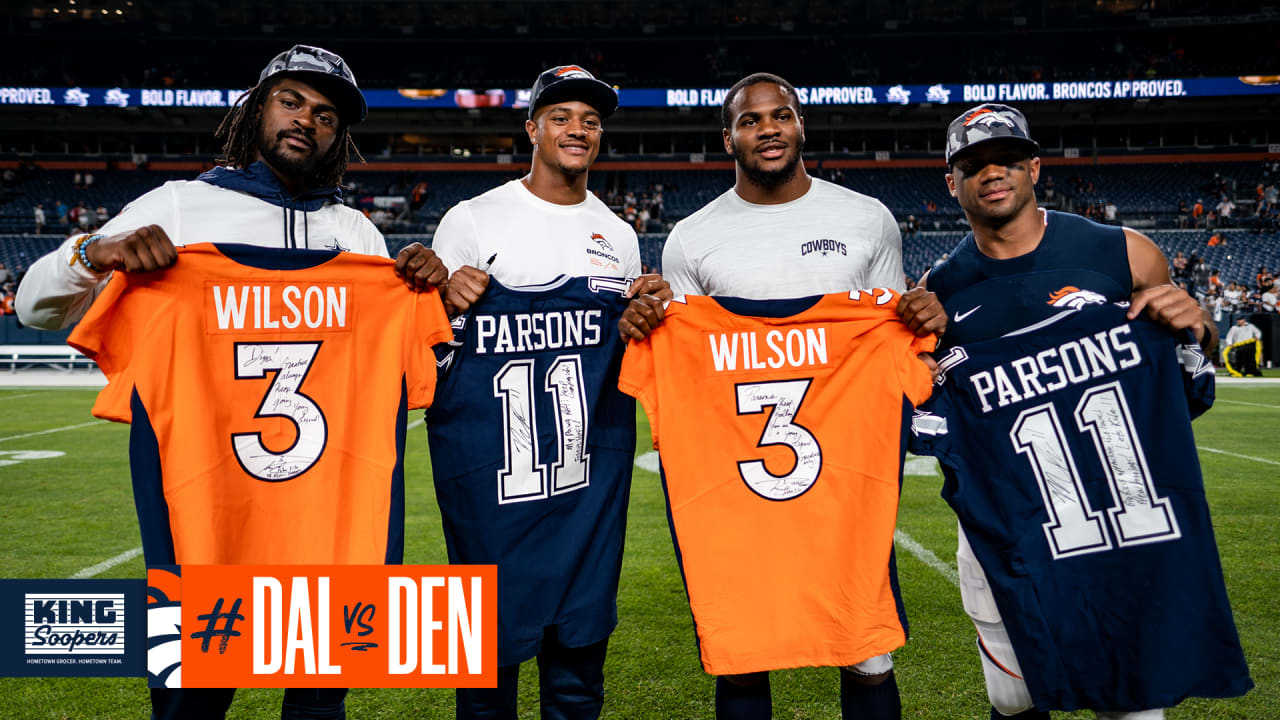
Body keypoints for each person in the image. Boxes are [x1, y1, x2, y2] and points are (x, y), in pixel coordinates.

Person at [16, 44, 448, 720]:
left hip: (330, 535)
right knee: (187, 707)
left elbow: (420, 373)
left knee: (317, 710)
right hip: (200, 534)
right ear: (255, 108)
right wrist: (91, 252)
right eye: (292, 101)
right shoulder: (179, 208)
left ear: (340, 136)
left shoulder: (359, 237)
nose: (308, 120)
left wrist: (427, 291)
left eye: (328, 114)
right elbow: (32, 307)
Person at [618, 72, 945, 720]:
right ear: (728, 137)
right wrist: (648, 323)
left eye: (781, 115)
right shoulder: (692, 237)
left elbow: (891, 333)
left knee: (865, 651)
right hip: (738, 476)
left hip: (846, 473)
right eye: (750, 119)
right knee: (742, 653)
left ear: (801, 125)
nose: (768, 128)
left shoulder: (866, 219)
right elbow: (689, 360)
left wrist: (920, 315)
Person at [921, 103, 1220, 720]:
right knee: (1013, 696)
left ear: (1035, 165)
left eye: (1006, 159)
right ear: (953, 183)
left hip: (1124, 513)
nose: (992, 173)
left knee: (1134, 697)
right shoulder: (940, 291)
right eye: (973, 164)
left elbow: (1175, 385)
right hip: (1007, 521)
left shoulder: (1125, 253)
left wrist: (1202, 333)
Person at [403, 64, 668, 720]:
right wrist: (435, 289)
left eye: (590, 119)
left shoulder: (620, 237)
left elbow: (627, 344)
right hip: (491, 492)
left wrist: (648, 309)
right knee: (487, 682)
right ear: (531, 129)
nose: (577, 129)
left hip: (585, 493)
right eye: (561, 116)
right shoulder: (472, 219)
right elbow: (433, 346)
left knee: (578, 682)